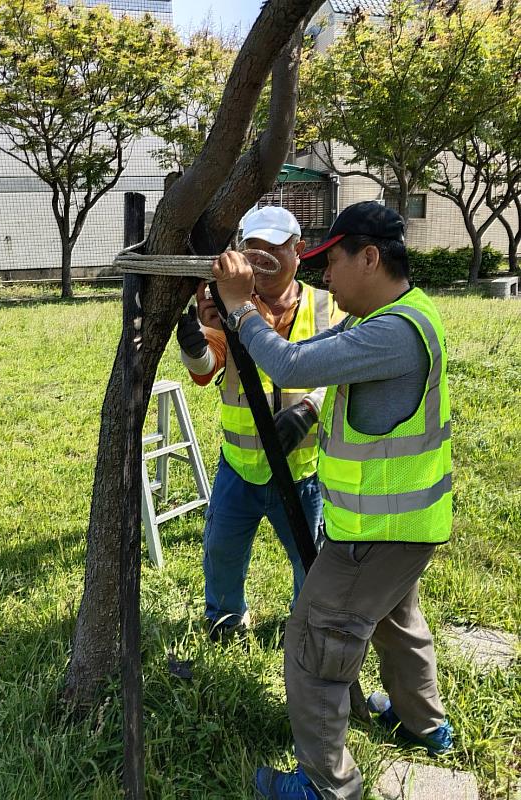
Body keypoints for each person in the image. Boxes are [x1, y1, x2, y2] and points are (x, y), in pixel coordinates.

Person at [212, 201, 453, 800]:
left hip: (373, 534)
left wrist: (241, 307)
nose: (324, 277)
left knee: (315, 644)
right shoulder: (399, 313)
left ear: (369, 257)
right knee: (398, 626)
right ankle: (425, 724)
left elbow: (291, 362)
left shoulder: (392, 333)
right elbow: (311, 356)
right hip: (406, 526)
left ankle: (327, 786)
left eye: (333, 262)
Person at [176, 206, 342, 640]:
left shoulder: (326, 307)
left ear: (299, 250)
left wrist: (308, 409)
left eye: (275, 248)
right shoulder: (228, 305)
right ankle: (226, 619)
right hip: (240, 467)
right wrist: (193, 346)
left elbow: (340, 374)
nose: (263, 258)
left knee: (312, 557)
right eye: (254, 249)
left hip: (301, 470)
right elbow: (207, 364)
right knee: (222, 551)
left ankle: (304, 622)